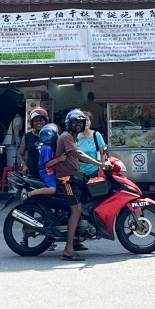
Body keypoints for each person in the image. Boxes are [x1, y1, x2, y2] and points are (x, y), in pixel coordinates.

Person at [56, 110, 108, 261]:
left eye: (81, 122)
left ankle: (76, 240)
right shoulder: (67, 136)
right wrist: (99, 164)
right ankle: (68, 249)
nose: (78, 124)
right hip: (66, 180)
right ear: (69, 124)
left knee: (83, 206)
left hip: (75, 178)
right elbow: (79, 154)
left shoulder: (74, 137)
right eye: (75, 122)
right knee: (77, 210)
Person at [21, 125, 64, 200]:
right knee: (52, 189)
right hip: (47, 172)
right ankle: (29, 193)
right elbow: (47, 164)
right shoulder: (47, 148)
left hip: (48, 171)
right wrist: (59, 159)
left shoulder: (46, 147)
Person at [20, 107, 48, 176]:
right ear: (32, 123)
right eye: (36, 121)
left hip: (49, 173)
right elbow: (20, 154)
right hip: (31, 173)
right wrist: (24, 165)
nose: (39, 123)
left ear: (46, 121)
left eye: (41, 120)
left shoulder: (51, 136)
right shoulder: (27, 137)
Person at [78, 111, 106, 177]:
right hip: (78, 173)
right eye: (83, 121)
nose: (86, 122)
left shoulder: (96, 135)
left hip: (94, 172)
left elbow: (103, 153)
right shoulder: (75, 137)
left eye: (87, 120)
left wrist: (102, 167)